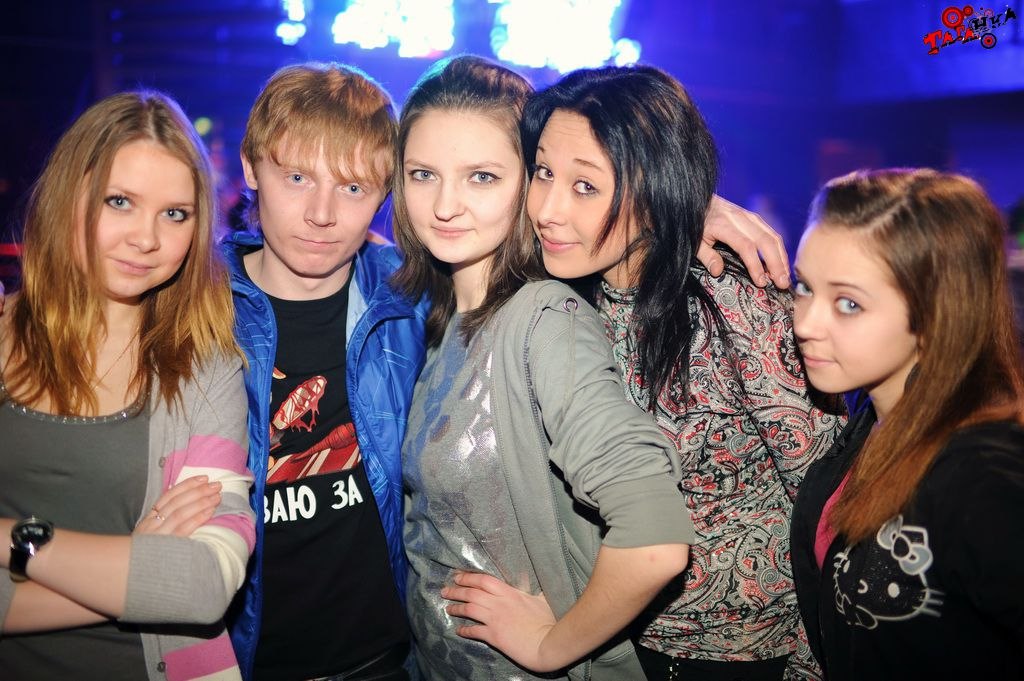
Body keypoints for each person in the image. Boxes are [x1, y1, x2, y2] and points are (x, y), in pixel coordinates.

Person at [520, 65, 844, 681]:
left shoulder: (732, 301)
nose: (548, 210)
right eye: (542, 173)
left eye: (585, 186)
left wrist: (813, 662)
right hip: (609, 639)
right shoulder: (552, 295)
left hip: (742, 657)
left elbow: (828, 501)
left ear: (655, 187)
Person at [391, 54, 694, 681]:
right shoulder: (440, 317)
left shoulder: (544, 318)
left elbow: (655, 537)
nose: (445, 205)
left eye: (481, 177)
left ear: (529, 183)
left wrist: (551, 645)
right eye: (423, 174)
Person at [0, 91, 254, 680]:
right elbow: (168, 584)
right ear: (69, 197)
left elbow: (202, 585)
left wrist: (17, 540)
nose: (146, 238)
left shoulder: (205, 366)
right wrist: (135, 566)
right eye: (120, 202)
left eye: (175, 214)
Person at [223, 63, 428, 681]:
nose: (321, 213)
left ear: (386, 192)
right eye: (297, 177)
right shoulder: (190, 307)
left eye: (353, 187)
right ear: (250, 167)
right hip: (239, 662)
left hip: (386, 661)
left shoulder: (413, 300)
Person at [789, 169, 1024, 680]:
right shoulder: (870, 418)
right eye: (803, 286)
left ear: (936, 314)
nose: (804, 323)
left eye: (848, 304)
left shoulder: (984, 471)